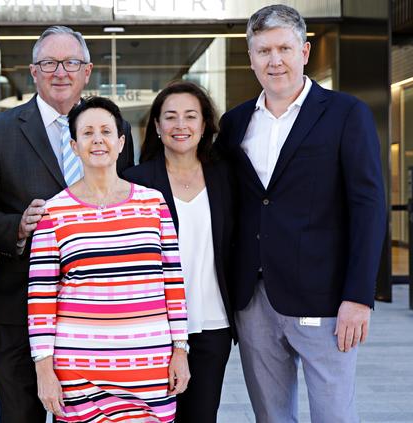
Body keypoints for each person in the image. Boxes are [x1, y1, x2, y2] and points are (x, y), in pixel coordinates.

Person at [216, 5, 386, 423]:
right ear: (251, 57)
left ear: (305, 51)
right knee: (271, 417)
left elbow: (368, 206)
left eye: (284, 48)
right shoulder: (234, 123)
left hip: (326, 300)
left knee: (333, 415)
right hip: (254, 301)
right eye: (263, 50)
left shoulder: (347, 113)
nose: (275, 60)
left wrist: (360, 296)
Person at [0, 25, 134, 422]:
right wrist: (17, 227)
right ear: (33, 70)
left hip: (100, 316)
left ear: (87, 71)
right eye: (49, 62)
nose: (60, 72)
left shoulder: (114, 130)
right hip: (20, 310)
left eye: (71, 63)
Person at [28, 96, 189, 422]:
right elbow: (41, 297)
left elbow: (173, 280)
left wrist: (180, 350)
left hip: (149, 368)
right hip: (78, 373)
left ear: (120, 143)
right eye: (87, 133)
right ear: (74, 146)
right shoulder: (53, 211)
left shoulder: (153, 204)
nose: (97, 139)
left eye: (105, 131)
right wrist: (44, 368)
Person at [123, 80, 236, 422]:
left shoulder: (226, 176)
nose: (180, 125)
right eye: (170, 117)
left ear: (204, 125)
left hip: (212, 322)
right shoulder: (134, 182)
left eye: (190, 116)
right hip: (153, 326)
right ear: (157, 126)